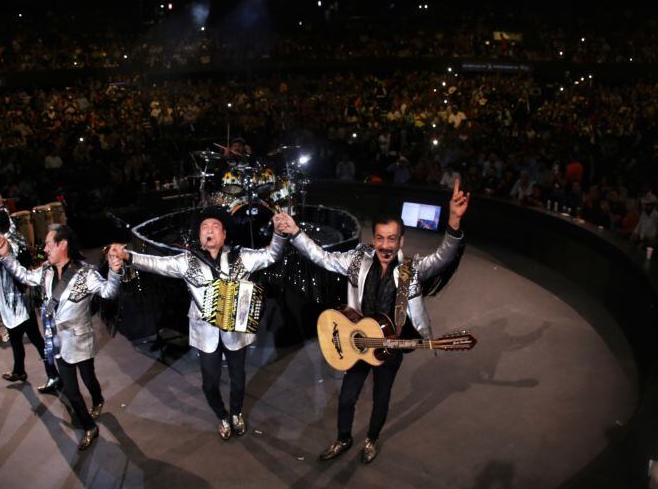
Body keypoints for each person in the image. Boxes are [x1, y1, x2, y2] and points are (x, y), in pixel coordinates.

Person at [272, 178, 469, 464]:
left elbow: (443, 257)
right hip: (359, 343)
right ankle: (343, 438)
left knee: (381, 398)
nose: (385, 245)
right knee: (347, 397)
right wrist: (295, 232)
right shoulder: (357, 260)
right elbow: (321, 257)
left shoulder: (412, 270)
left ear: (401, 241)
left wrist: (453, 220)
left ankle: (372, 439)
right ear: (373, 238)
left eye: (391, 239)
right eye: (380, 238)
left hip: (391, 347)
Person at [110, 206, 287, 440]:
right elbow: (156, 263)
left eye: (215, 227)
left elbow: (272, 255)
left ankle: (236, 413)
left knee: (238, 379)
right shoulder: (187, 261)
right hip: (206, 333)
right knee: (209, 383)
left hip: (235, 332)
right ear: (199, 234)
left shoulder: (242, 256)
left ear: (224, 234)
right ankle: (221, 415)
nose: (209, 230)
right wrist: (128, 256)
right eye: (205, 227)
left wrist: (279, 233)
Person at [0, 224, 122, 450]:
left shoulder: (85, 274)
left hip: (80, 341)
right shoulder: (46, 271)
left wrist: (115, 271)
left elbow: (109, 291)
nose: (45, 249)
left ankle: (98, 399)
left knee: (88, 378)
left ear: (63, 245)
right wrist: (6, 255)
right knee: (71, 391)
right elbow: (24, 275)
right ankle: (90, 427)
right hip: (58, 342)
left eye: (49, 244)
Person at [0, 191, 58, 392]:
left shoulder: (6, 244)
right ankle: (19, 370)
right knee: (16, 337)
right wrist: (1, 207)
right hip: (14, 302)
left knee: (36, 340)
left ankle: (54, 375)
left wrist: (4, 250)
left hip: (18, 302)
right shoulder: (11, 232)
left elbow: (12, 253)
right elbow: (9, 223)